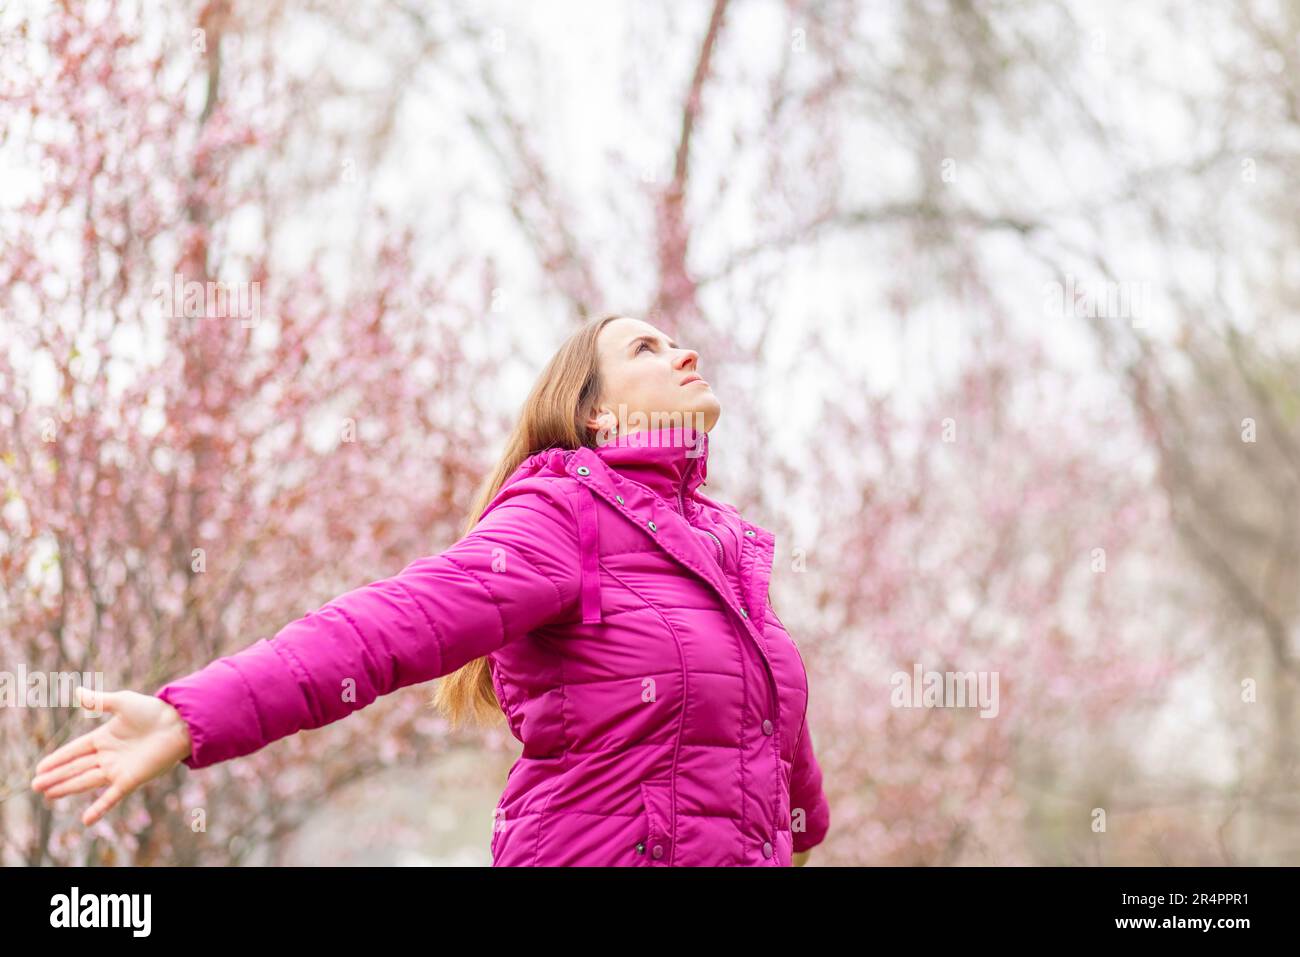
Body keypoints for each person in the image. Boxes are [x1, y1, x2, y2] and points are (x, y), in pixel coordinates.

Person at [31, 313, 831, 866]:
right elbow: (391, 623)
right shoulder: (565, 514)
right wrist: (191, 712)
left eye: (677, 341)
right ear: (593, 414)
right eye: (648, 350)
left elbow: (781, 775)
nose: (684, 354)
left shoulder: (730, 553)